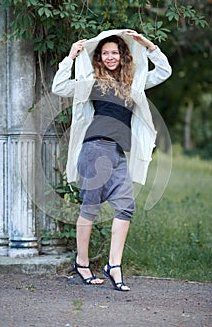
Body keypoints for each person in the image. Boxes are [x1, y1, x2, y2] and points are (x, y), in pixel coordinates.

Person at [52, 29, 172, 291]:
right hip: (95, 149)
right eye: (105, 53)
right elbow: (59, 86)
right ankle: (82, 263)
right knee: (91, 207)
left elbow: (164, 72)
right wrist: (71, 57)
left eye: (114, 52)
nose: (109, 57)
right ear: (99, 57)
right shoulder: (93, 81)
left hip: (117, 152)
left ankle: (113, 265)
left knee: (126, 207)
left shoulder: (133, 82)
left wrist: (149, 45)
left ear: (123, 55)